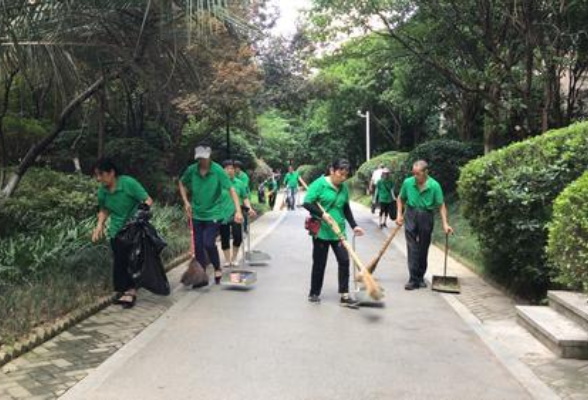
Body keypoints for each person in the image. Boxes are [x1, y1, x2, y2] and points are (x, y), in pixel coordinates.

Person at [92, 158, 153, 309]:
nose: (99, 178)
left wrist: (138, 216)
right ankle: (125, 289)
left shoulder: (128, 183)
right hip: (116, 230)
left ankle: (130, 292)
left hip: (134, 229)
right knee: (120, 260)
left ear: (111, 173)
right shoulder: (103, 191)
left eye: (101, 174)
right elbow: (104, 209)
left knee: (131, 260)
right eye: (97, 175)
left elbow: (148, 200)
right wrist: (99, 225)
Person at [303, 159, 365, 307]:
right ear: (332, 170)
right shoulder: (319, 184)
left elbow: (346, 208)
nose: (343, 178)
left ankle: (344, 295)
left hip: (339, 232)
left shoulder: (343, 188)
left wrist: (354, 226)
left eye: (346, 175)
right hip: (322, 231)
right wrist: (322, 214)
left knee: (344, 261)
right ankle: (314, 292)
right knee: (320, 263)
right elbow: (307, 203)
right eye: (340, 174)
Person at [179, 145, 244, 285]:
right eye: (199, 158)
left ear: (209, 156)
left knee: (208, 243)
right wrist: (186, 202)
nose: (201, 161)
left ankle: (217, 267)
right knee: (198, 246)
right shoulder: (192, 170)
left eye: (204, 158)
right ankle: (201, 277)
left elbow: (231, 189)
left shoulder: (218, 171)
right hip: (197, 214)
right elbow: (181, 183)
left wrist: (238, 211)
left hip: (214, 213)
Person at [396, 160, 453, 291]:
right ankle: (413, 278)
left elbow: (441, 205)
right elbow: (400, 198)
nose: (415, 176)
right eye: (414, 173)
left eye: (418, 174)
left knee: (423, 246)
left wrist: (445, 223)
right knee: (412, 246)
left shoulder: (434, 185)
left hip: (426, 216)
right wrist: (399, 215)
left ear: (425, 172)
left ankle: (420, 277)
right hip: (410, 213)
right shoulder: (408, 182)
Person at [220, 160, 256, 267]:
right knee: (224, 237)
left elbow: (245, 198)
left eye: (231, 168)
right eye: (227, 168)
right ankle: (227, 260)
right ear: (223, 170)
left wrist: (249, 208)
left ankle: (234, 258)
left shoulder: (239, 183)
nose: (230, 170)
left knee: (238, 236)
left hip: (237, 213)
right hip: (222, 214)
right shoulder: (219, 184)